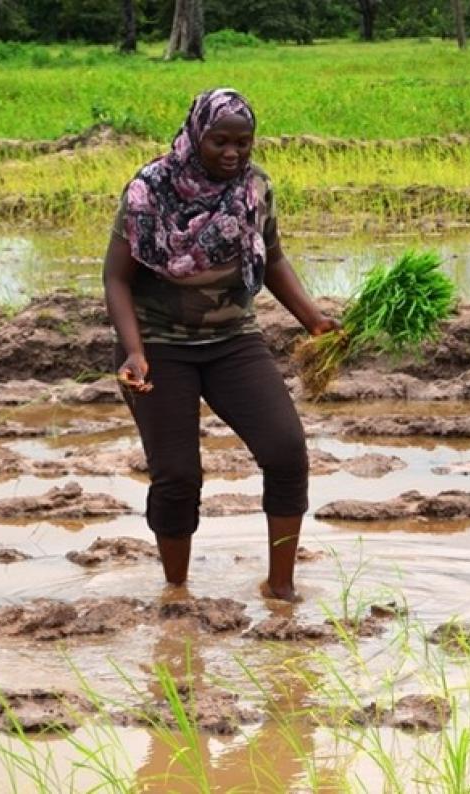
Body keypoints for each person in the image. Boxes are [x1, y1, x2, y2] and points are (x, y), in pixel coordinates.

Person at [103, 88, 337, 602]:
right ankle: (176, 591)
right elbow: (116, 277)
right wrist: (134, 351)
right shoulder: (149, 190)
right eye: (220, 142)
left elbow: (273, 258)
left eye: (243, 143)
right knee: (177, 475)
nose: (232, 153)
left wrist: (313, 320)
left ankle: (281, 587)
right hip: (158, 344)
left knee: (286, 451)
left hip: (232, 340)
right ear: (195, 135)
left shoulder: (255, 188)